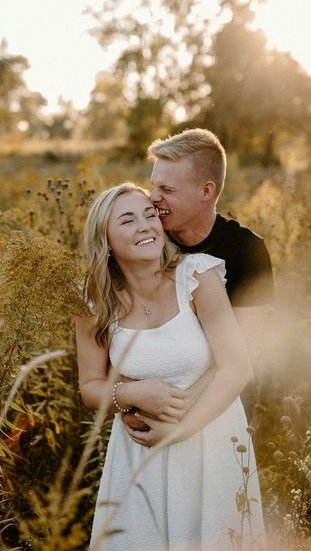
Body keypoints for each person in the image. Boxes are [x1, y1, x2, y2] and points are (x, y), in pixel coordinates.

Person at [76, 183, 266, 551]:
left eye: (150, 215)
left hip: (213, 438)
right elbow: (89, 387)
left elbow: (237, 368)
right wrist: (132, 393)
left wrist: (178, 432)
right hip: (139, 454)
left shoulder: (196, 277)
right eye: (128, 221)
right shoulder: (94, 302)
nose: (146, 226)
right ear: (106, 241)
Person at [123, 128, 274, 435]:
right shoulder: (148, 240)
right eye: (153, 185)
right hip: (147, 411)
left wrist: (179, 407)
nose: (153, 197)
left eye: (167, 189)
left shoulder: (247, 251)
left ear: (206, 191)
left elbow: (245, 349)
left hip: (224, 408)